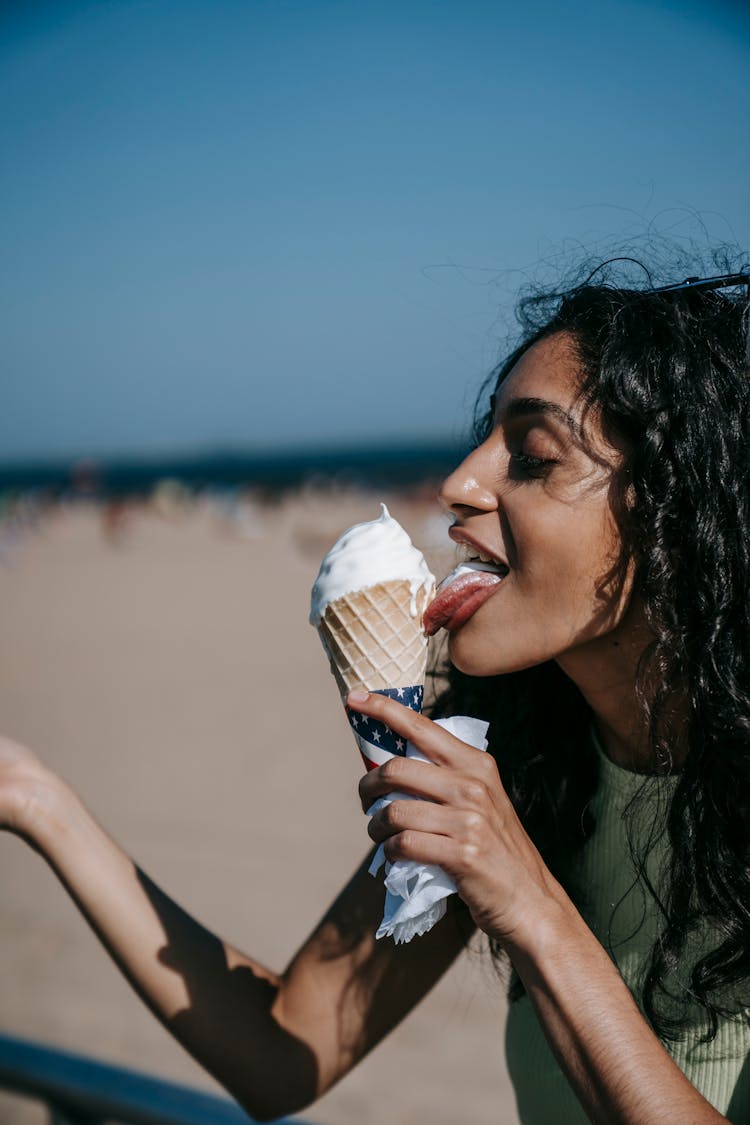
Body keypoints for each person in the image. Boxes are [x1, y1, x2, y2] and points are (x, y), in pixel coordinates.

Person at [1, 256, 749, 1124]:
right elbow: (287, 1050)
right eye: (484, 440)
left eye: (532, 455)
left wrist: (532, 906)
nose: (459, 484)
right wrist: (37, 800)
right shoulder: (519, 772)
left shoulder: (504, 833)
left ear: (679, 517)